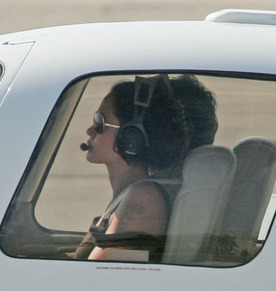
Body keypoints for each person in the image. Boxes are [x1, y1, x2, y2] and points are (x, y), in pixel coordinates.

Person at [73, 74, 190, 260]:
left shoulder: (143, 198)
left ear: (131, 137)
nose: (90, 130)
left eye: (100, 122)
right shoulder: (127, 194)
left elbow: (97, 274)